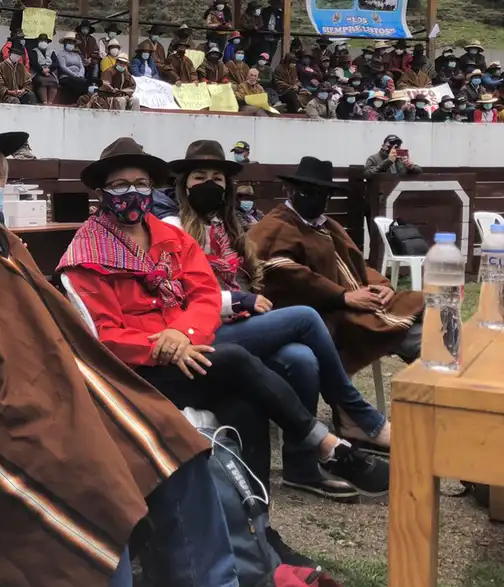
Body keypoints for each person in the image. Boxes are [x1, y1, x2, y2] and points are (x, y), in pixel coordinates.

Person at [0, 113, 239, 587]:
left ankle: (213, 584)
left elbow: (59, 327)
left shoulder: (7, 244)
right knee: (89, 482)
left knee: (175, 442)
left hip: (57, 388)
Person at [59, 138, 384, 518]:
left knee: (246, 400)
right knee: (234, 358)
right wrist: (161, 346)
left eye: (141, 184)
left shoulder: (171, 238)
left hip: (189, 352)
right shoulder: (86, 255)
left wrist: (184, 334)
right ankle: (328, 445)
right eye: (119, 186)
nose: (132, 193)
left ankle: (260, 528)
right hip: (138, 371)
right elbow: (102, 337)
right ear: (102, 192)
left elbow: (205, 296)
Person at [163, 140, 391, 499]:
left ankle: (301, 469)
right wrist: (239, 301)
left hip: (236, 324)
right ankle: (359, 415)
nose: (210, 183)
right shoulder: (172, 226)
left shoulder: (229, 225)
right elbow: (177, 293)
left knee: (302, 359)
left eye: (218, 178)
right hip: (200, 330)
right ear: (184, 183)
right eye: (200, 176)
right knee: (305, 316)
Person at [248, 156, 425, 376]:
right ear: (290, 190)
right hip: (316, 311)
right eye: (307, 192)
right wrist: (342, 296)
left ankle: (439, 394)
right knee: (403, 334)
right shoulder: (274, 226)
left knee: (426, 321)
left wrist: (383, 286)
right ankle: (346, 404)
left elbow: (356, 263)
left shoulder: (328, 226)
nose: (315, 199)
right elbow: (280, 270)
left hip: (355, 303)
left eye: (323, 195)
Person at [0, 37, 36, 105]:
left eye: (19, 55)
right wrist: (9, 92)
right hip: (6, 95)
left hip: (19, 93)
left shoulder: (20, 66)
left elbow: (28, 81)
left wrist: (23, 90)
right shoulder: (2, 66)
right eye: (15, 54)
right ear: (10, 53)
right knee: (14, 101)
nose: (17, 56)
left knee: (30, 96)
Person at [28, 33, 59, 105]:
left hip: (50, 72)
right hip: (37, 72)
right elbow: (33, 63)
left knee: (54, 82)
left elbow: (56, 63)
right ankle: (44, 101)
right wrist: (42, 71)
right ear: (38, 42)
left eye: (45, 41)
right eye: (41, 40)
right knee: (41, 81)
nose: (43, 42)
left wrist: (49, 69)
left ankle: (50, 102)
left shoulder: (52, 51)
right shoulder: (34, 51)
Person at [56, 31, 88, 99]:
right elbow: (63, 66)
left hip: (78, 76)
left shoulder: (77, 55)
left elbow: (81, 66)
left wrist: (80, 74)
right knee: (76, 83)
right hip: (66, 77)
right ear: (65, 43)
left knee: (86, 83)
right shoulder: (61, 53)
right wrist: (74, 75)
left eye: (72, 42)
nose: (71, 44)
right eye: (69, 42)